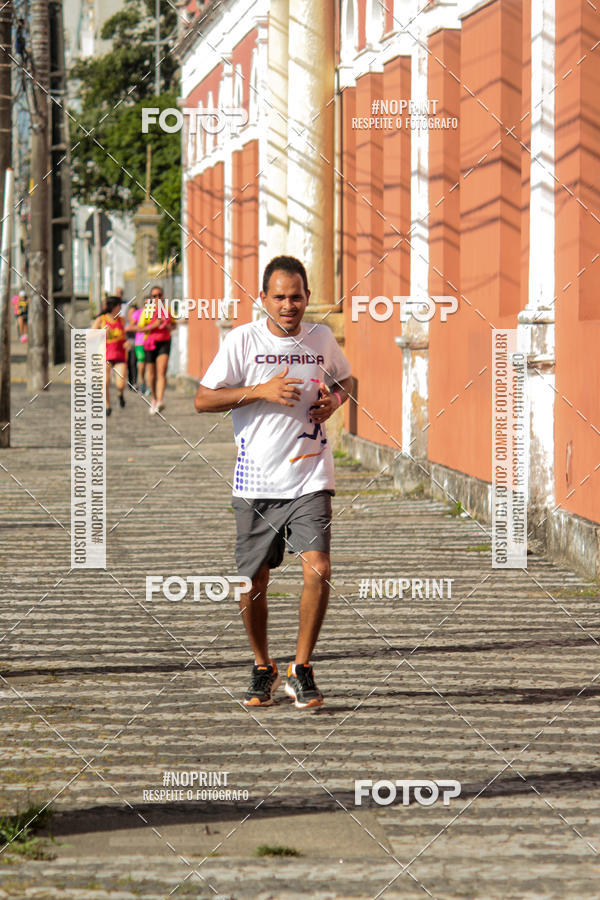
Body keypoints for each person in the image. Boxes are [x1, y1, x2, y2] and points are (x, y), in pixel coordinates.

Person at [194, 255, 353, 709]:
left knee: (318, 567)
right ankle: (262, 665)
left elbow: (347, 378)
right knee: (252, 582)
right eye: (279, 297)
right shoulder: (243, 340)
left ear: (306, 297)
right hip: (257, 480)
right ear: (262, 298)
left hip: (311, 473)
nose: (289, 305)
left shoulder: (320, 337)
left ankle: (301, 669)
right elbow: (203, 399)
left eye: (297, 297)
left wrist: (334, 401)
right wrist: (260, 390)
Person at [141, 285, 176, 415]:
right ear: (151, 298)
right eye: (154, 296)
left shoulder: (168, 309)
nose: (157, 298)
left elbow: (174, 324)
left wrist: (170, 326)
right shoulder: (147, 311)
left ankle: (160, 400)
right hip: (150, 343)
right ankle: (154, 398)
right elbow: (139, 328)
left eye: (160, 295)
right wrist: (153, 326)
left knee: (162, 371)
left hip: (165, 341)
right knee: (151, 374)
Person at [92, 296, 129, 415]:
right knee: (105, 382)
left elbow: (125, 336)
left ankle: (120, 394)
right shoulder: (101, 319)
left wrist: (127, 342)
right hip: (105, 353)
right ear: (115, 306)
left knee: (120, 382)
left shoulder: (121, 320)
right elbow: (89, 335)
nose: (121, 308)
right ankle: (107, 406)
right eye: (119, 306)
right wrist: (101, 332)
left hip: (120, 353)